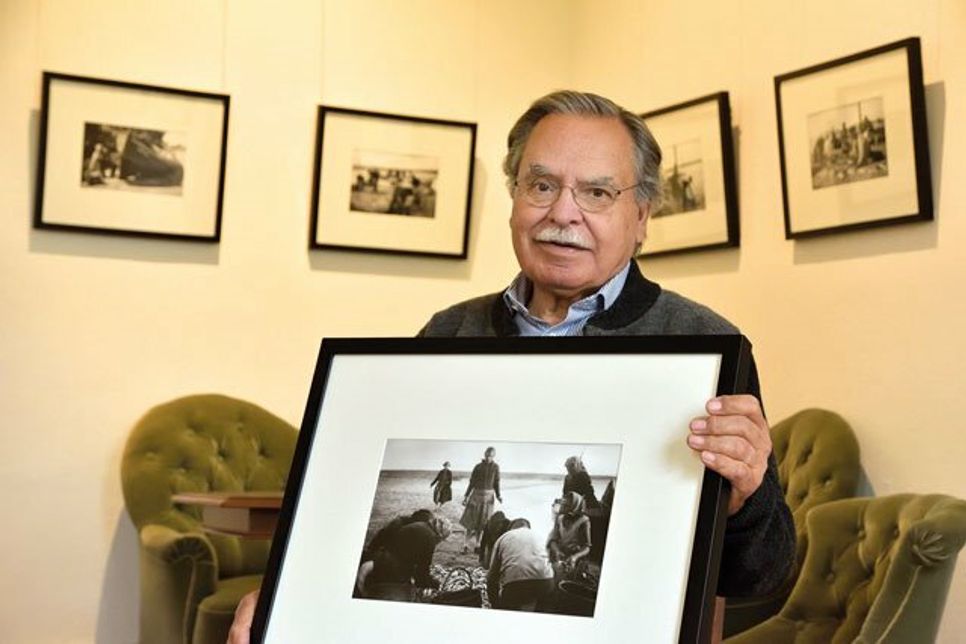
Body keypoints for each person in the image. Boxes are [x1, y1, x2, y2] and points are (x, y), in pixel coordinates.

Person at [228, 90, 795, 642]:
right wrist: (290, 594)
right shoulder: (449, 331)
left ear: (641, 216)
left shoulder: (702, 345)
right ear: (515, 197)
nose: (562, 213)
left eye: (597, 192)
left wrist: (743, 499)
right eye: (541, 185)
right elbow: (345, 525)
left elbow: (759, 575)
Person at [363, 515, 452, 601]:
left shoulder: (422, 526)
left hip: (384, 558)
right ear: (440, 535)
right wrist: (434, 585)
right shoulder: (429, 538)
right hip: (390, 570)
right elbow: (422, 572)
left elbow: (417, 563)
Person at [486, 518, 554, 611]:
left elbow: (491, 578)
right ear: (528, 527)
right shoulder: (540, 536)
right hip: (546, 582)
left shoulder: (504, 537)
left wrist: (495, 605)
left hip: (516, 586)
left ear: (510, 528)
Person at [459, 446, 502, 554]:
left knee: (482, 523)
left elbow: (496, 483)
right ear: (484, 455)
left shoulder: (496, 467)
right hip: (476, 496)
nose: (488, 458)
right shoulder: (478, 467)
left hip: (488, 497)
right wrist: (466, 496)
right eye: (487, 455)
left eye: (490, 456)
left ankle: (477, 545)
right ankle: (465, 545)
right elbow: (472, 482)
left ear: (493, 456)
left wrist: (498, 495)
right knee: (470, 522)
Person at [547, 491, 593, 573]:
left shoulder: (584, 521)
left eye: (567, 506)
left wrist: (575, 557)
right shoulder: (560, 518)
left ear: (575, 506)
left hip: (576, 556)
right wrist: (557, 551)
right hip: (561, 554)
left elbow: (586, 547)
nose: (563, 508)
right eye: (563, 505)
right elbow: (553, 540)